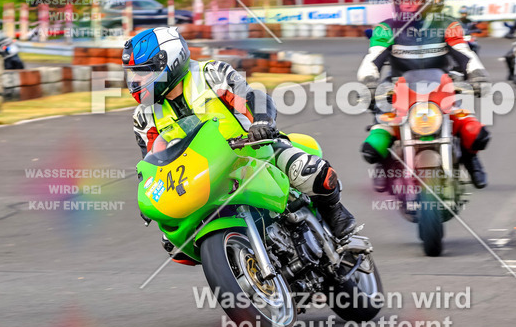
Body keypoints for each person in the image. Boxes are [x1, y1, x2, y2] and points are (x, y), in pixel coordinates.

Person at [124, 27, 357, 240]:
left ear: (170, 62)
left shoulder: (210, 74)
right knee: (173, 240)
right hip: (200, 177)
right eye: (133, 73)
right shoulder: (144, 117)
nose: (135, 81)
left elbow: (252, 97)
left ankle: (336, 215)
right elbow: (151, 163)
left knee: (310, 171)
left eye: (143, 72)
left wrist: (262, 122)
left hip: (253, 150)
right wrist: (149, 196)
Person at [356, 0, 491, 189]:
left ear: (429, 0)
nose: (408, 5)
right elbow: (372, 58)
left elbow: (464, 53)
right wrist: (369, 81)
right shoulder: (385, 28)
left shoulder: (448, 24)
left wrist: (477, 74)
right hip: (399, 90)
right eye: (403, 0)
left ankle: (469, 158)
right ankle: (384, 164)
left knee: (476, 134)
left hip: (442, 88)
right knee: (374, 144)